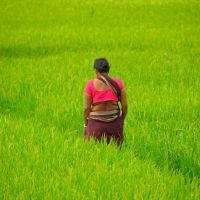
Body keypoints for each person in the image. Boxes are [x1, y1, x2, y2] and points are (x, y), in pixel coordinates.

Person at [84, 58, 128, 147]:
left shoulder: (90, 84)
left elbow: (86, 108)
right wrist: (121, 120)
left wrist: (86, 124)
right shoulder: (118, 82)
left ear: (95, 70)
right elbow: (125, 106)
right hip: (115, 125)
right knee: (117, 153)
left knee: (93, 153)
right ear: (109, 68)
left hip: (96, 126)